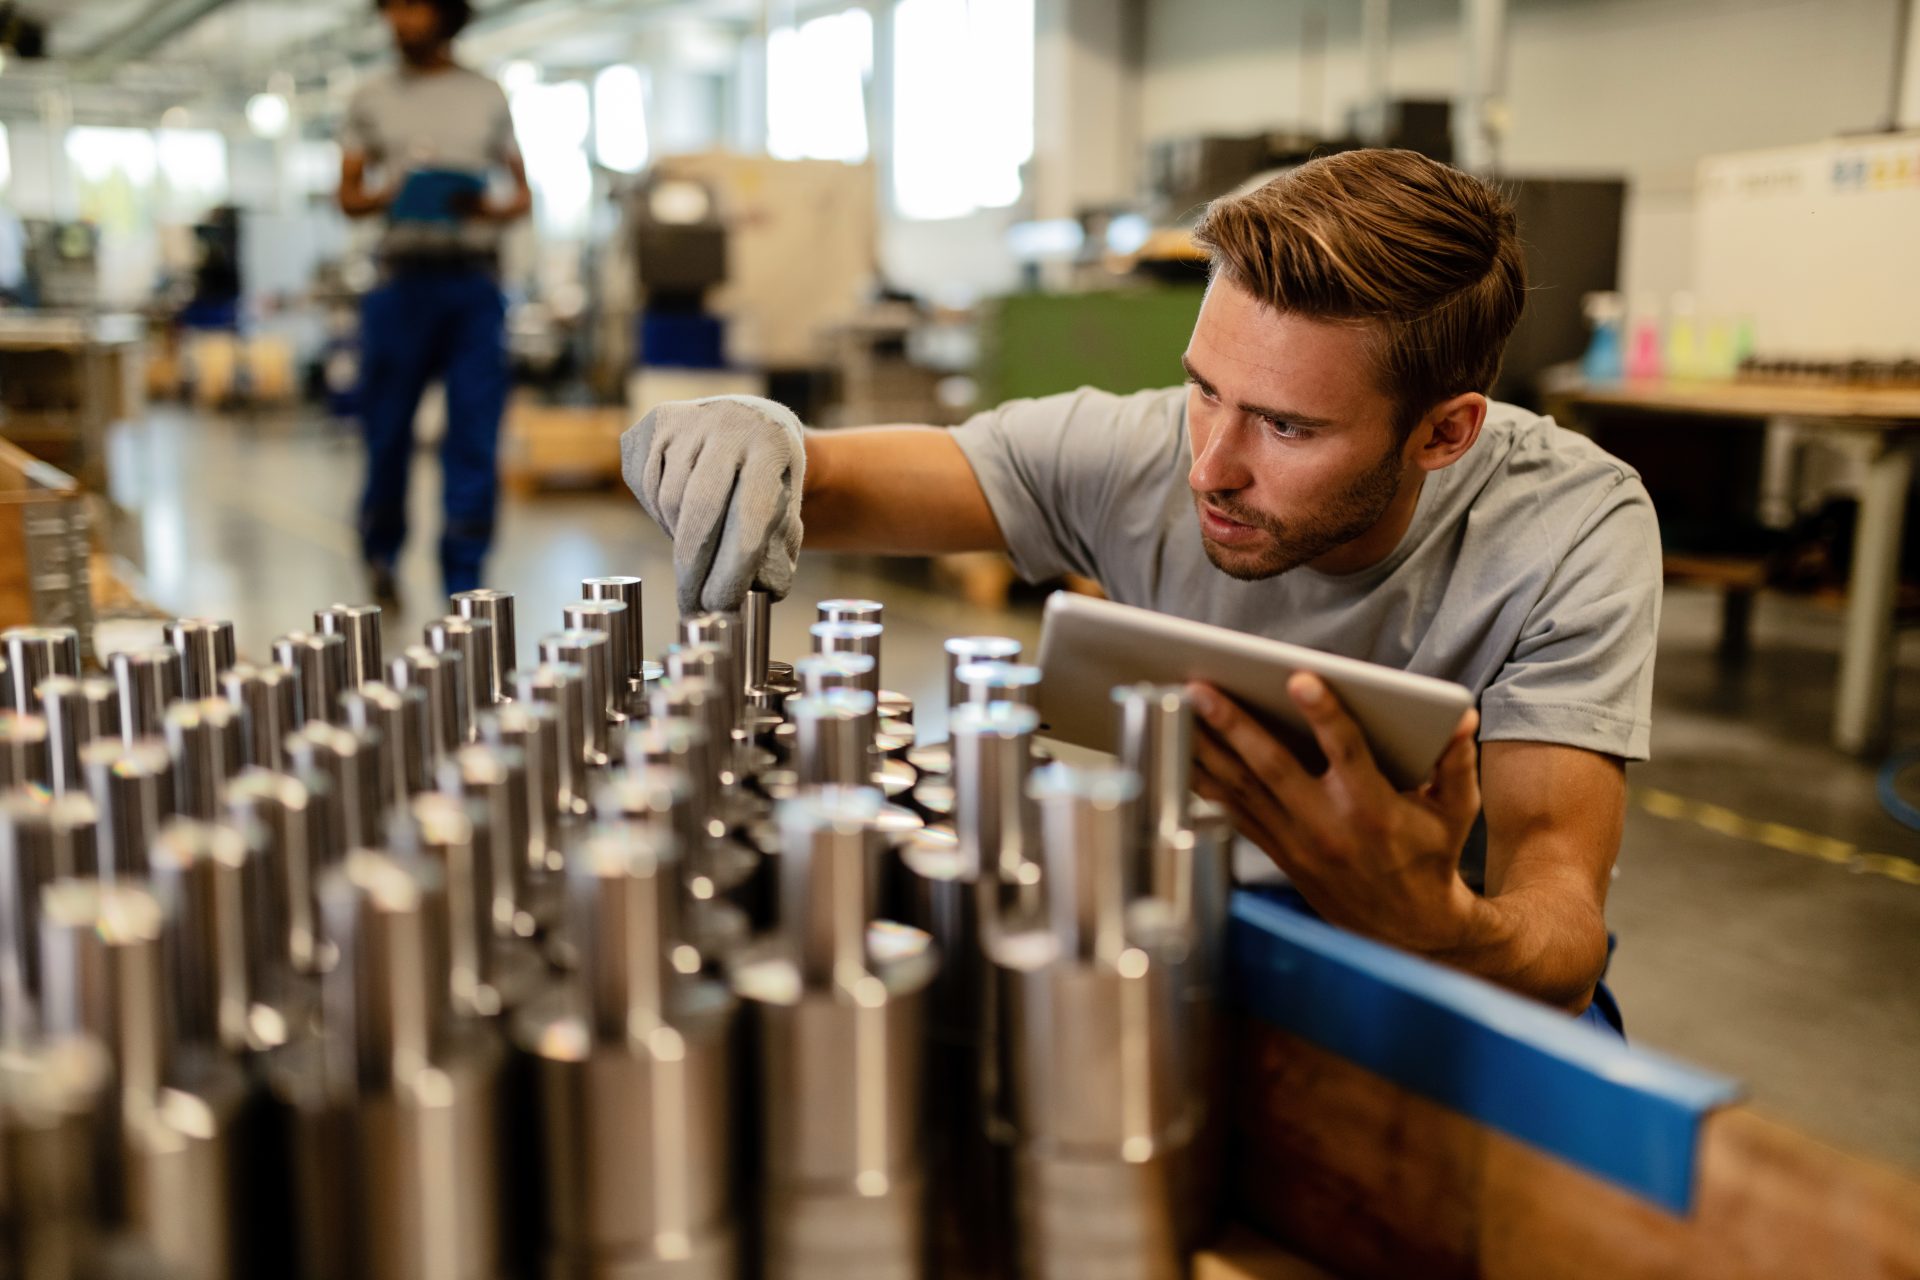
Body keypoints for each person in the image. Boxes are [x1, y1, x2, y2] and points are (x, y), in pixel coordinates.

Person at [620, 149, 1660, 1027]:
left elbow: (1562, 931)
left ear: (1445, 431)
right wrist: (735, 438)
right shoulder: (1133, 451)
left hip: (1462, 963)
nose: (1210, 464)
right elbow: (834, 481)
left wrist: (1435, 924)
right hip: (1206, 911)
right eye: (1205, 389)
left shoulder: (1569, 528)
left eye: (1288, 426)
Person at [338, 0, 532, 600]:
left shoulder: (487, 96)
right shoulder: (369, 97)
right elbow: (347, 197)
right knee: (387, 432)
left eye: (414, 6)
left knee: (473, 433)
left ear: (446, 14)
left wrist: (482, 206)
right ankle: (380, 551)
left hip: (473, 286)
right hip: (401, 285)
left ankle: (465, 577)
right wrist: (395, 192)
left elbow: (520, 194)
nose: (402, 20)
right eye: (392, 8)